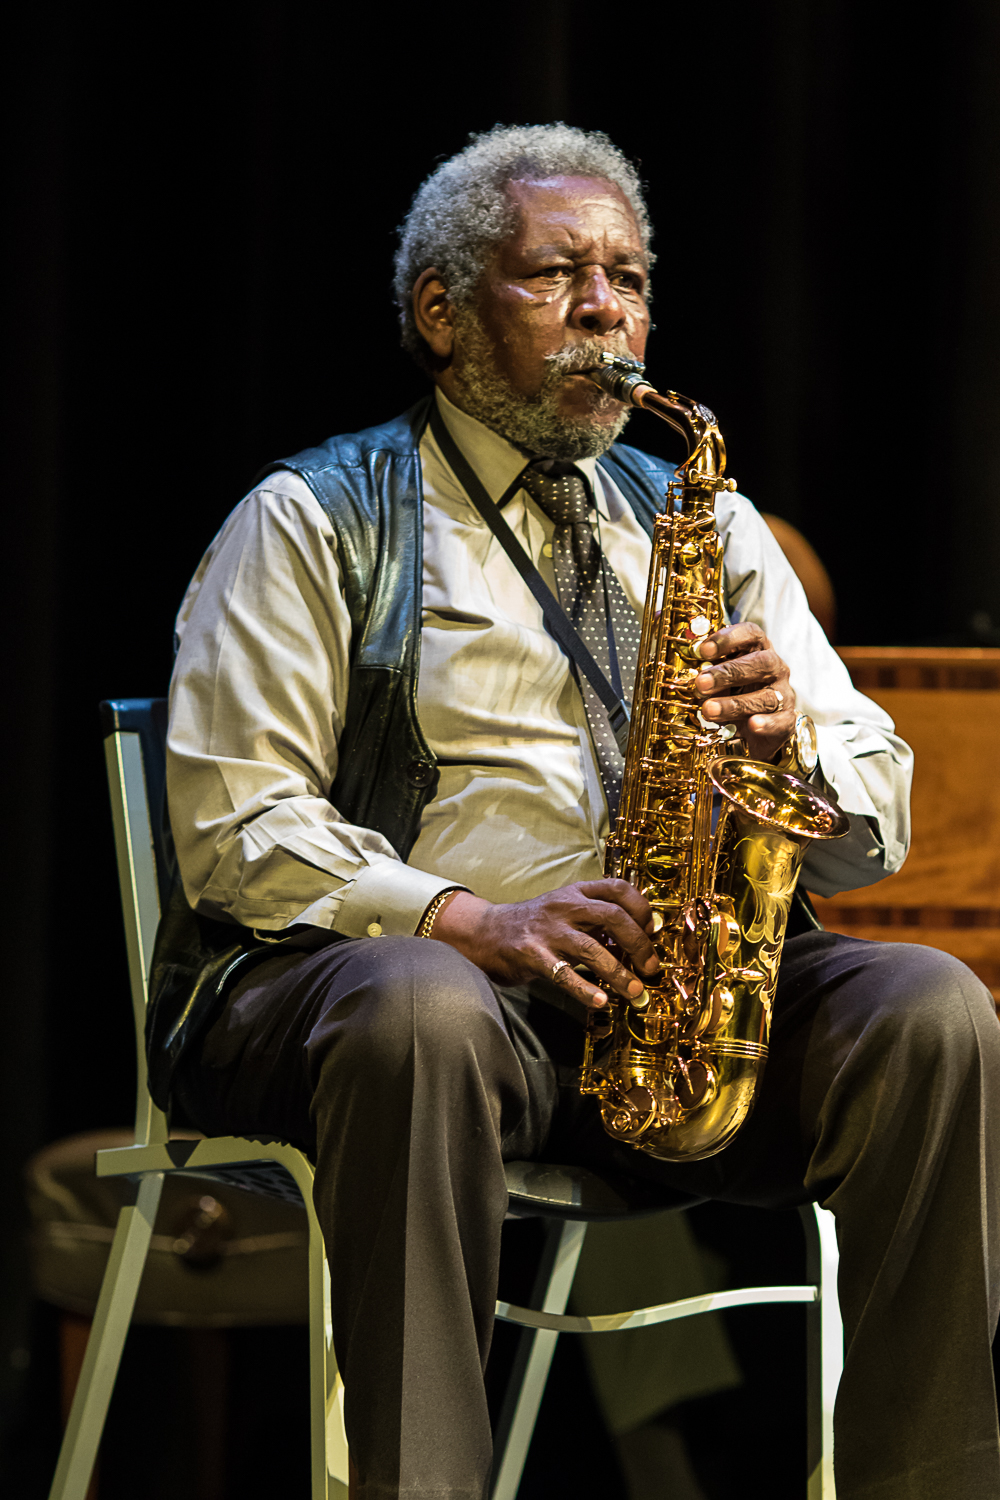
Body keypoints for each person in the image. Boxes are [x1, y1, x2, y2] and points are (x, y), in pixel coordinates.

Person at [151, 125, 1000, 1499]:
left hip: (661, 1013)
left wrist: (802, 750)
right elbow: (237, 824)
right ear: (443, 312)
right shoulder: (315, 519)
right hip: (406, 1013)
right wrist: (471, 922)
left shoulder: (709, 525)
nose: (608, 310)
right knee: (418, 1005)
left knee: (933, 1011)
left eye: (630, 278)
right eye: (557, 274)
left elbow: (881, 799)